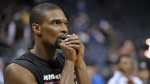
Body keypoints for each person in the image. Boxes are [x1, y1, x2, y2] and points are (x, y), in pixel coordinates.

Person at [4, 3, 90, 84]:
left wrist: (79, 62)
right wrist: (69, 62)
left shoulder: (68, 55)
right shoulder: (18, 70)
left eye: (65, 24)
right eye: (56, 23)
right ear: (37, 28)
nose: (65, 29)